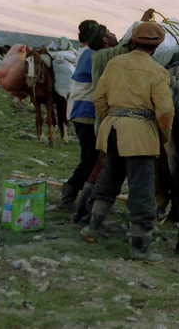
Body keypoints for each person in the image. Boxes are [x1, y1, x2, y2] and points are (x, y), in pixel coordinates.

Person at [80, 22, 174, 264]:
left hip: (112, 130)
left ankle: (92, 227)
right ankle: (141, 248)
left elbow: (98, 98)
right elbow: (164, 111)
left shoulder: (114, 63)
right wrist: (162, 135)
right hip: (140, 135)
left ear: (133, 40)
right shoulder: (157, 72)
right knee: (141, 188)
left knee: (109, 179)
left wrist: (113, 116)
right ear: (156, 47)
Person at [57, 20, 118, 214]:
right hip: (87, 113)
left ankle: (82, 198)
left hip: (84, 111)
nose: (112, 33)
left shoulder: (87, 52)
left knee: (92, 158)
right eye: (108, 31)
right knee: (91, 158)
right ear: (104, 39)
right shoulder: (96, 56)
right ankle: (69, 196)